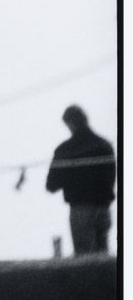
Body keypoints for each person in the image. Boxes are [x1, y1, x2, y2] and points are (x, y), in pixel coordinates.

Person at [46, 105, 116, 255]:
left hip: (80, 209)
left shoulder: (65, 150)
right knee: (103, 260)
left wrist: (69, 177)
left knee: (85, 259)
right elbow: (112, 177)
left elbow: (51, 185)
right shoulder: (105, 146)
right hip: (103, 208)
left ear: (70, 123)